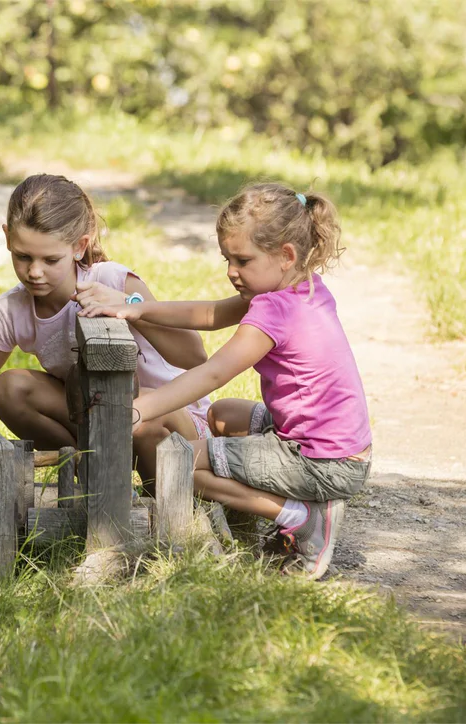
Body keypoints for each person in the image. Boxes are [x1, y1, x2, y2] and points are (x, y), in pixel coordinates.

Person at [80, 183, 371, 579]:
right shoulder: (301, 286)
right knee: (221, 415)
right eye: (226, 259)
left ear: (286, 255)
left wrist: (136, 409)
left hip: (320, 461)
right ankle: (261, 512)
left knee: (178, 463)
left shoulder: (273, 313)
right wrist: (136, 307)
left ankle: (302, 518)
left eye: (242, 260)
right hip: (337, 447)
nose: (232, 271)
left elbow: (212, 372)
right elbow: (211, 313)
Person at [0, 173, 211, 485]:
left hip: (172, 421)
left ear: (79, 247)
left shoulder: (113, 281)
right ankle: (92, 475)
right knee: (10, 389)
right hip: (105, 418)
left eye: (50, 259)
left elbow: (194, 356)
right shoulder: (13, 310)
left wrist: (130, 307)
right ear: (8, 238)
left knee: (128, 407)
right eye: (23, 256)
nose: (34, 272)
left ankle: (160, 494)